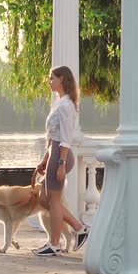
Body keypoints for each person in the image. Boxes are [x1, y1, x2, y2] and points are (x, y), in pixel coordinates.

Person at [32, 66, 90, 256]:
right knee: (45, 199)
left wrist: (60, 164)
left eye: (52, 78)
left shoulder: (66, 106)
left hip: (61, 155)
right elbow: (52, 136)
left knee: (53, 201)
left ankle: (54, 244)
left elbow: (65, 137)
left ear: (62, 79)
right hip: (54, 153)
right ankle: (79, 228)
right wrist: (44, 159)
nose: (49, 81)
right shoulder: (58, 102)